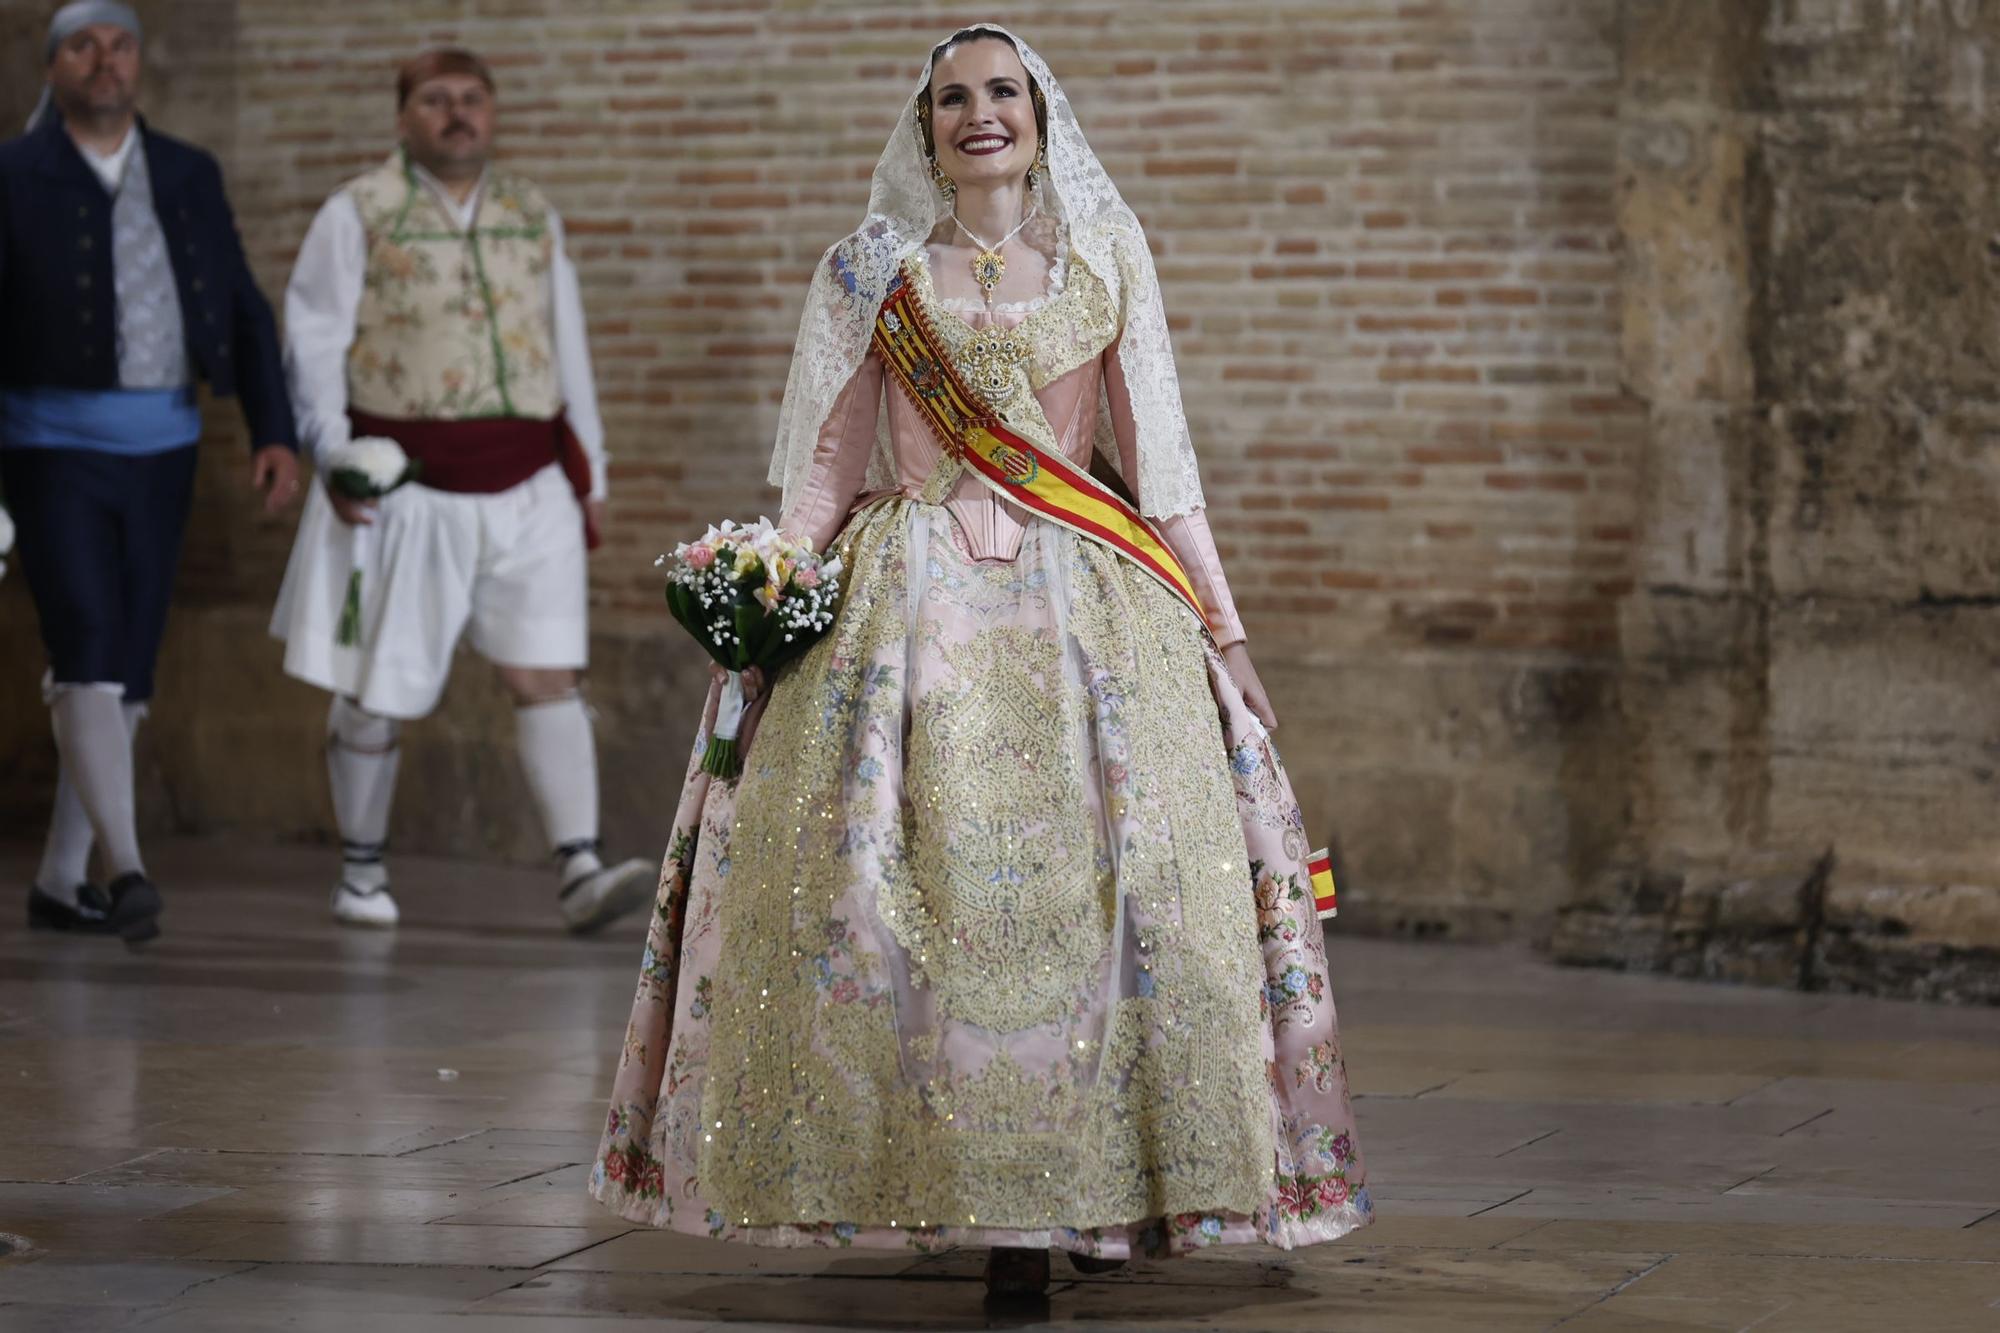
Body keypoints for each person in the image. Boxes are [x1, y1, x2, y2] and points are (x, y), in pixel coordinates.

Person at [589, 26, 1369, 1297]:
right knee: (890, 896)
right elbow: (827, 471)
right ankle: (939, 1174)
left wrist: (1222, 631)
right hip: (905, 614)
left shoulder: (1108, 259)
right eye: (950, 99)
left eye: (1000, 93)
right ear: (924, 130)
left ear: (1040, 120)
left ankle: (1087, 1187)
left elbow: (1159, 468)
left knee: (1117, 899)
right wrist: (767, 599)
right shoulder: (864, 275)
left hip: (1091, 612)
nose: (977, 115)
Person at [268, 48, 650, 933]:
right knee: (376, 683)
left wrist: (590, 467)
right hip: (408, 481)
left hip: (531, 479)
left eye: (472, 100)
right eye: (435, 101)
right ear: (403, 116)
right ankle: (361, 871)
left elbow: (569, 344)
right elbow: (315, 338)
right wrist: (330, 450)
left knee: (546, 669)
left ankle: (580, 866)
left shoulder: (530, 212)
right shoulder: (356, 212)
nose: (457, 115)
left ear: (493, 111)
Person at [1, 1, 301, 945]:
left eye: (120, 43)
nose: (104, 60)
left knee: (128, 664)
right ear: (52, 68)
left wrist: (274, 429)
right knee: (86, 635)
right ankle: (126, 869)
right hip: (46, 447)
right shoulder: (11, 175)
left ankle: (58, 881)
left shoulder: (187, 172)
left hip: (166, 450)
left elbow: (245, 308)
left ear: (140, 63)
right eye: (81, 46)